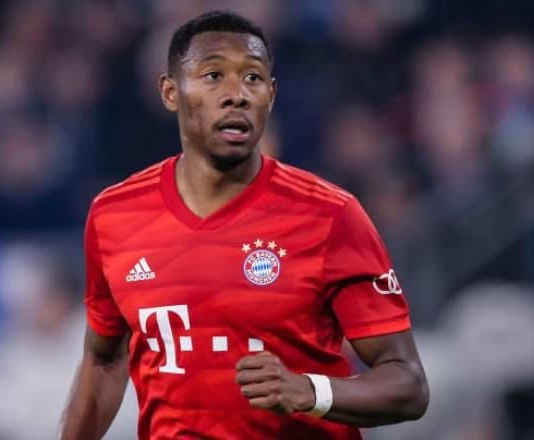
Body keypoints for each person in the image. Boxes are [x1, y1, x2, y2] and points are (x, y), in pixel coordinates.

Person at [61, 10, 428, 440]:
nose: (236, 94)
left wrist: (311, 391)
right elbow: (104, 361)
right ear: (170, 92)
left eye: (252, 78)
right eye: (213, 76)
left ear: (270, 96)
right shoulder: (114, 215)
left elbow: (408, 385)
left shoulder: (330, 215)